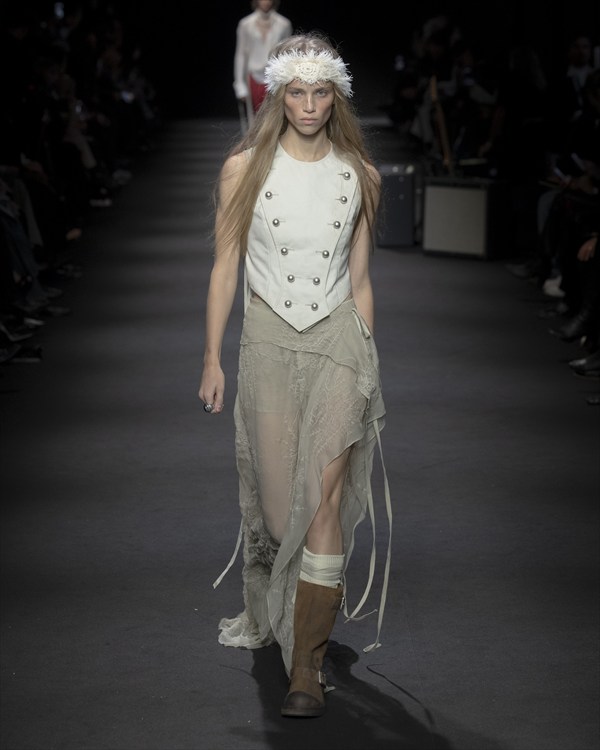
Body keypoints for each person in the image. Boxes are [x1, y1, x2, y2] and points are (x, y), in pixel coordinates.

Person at [199, 32, 391, 719]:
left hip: (339, 341)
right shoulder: (243, 170)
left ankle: (306, 666)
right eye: (298, 92)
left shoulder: (360, 175)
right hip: (269, 341)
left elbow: (360, 280)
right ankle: (283, 617)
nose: (309, 104)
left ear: (336, 97)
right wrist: (212, 357)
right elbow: (225, 266)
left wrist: (367, 357)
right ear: (279, 96)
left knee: (324, 504)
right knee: (284, 516)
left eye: (321, 92)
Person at [233, 0, 292, 130]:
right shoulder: (245, 24)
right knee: (254, 119)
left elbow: (286, 54)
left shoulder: (284, 24)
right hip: (253, 76)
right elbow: (241, 54)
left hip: (275, 75)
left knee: (273, 116)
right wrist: (239, 84)